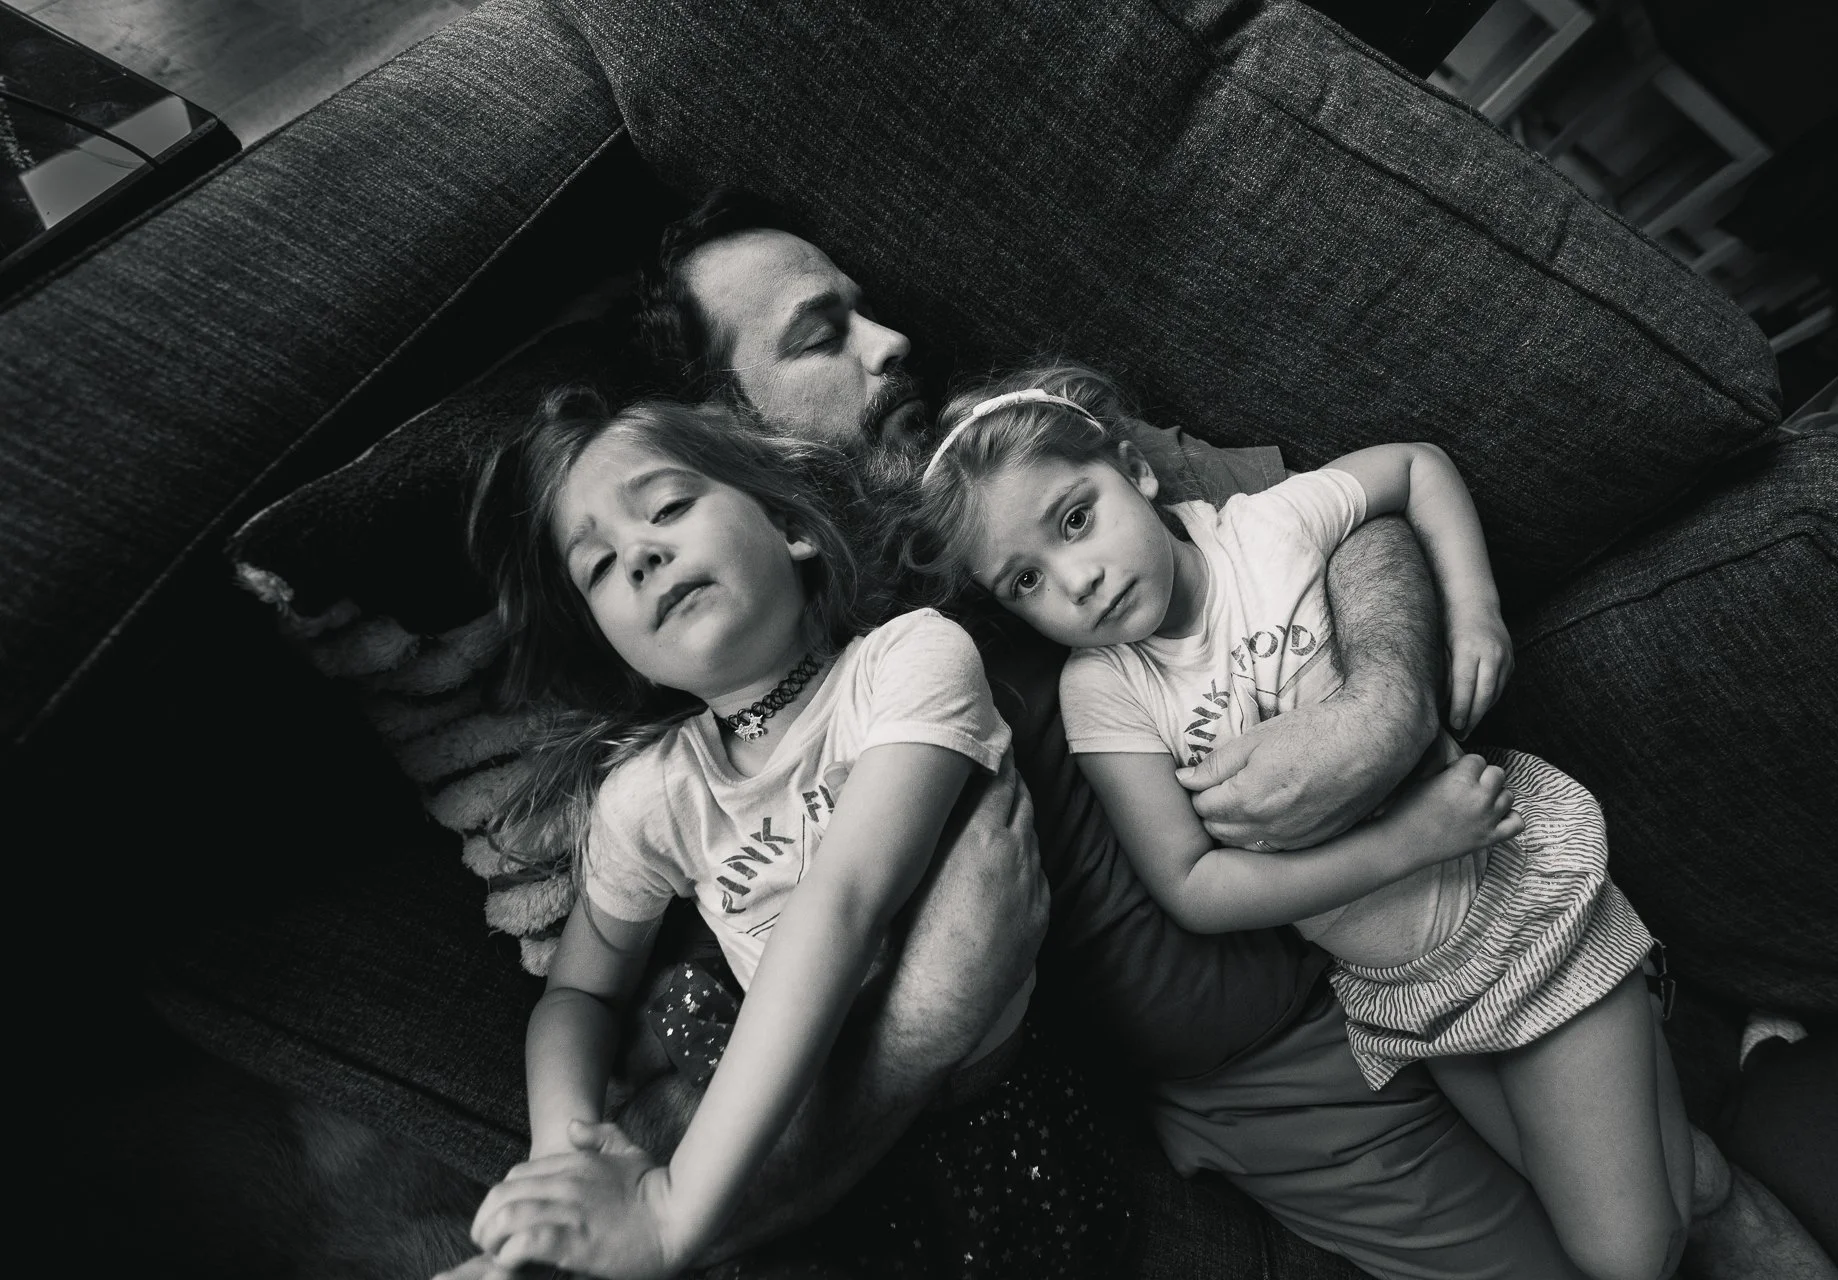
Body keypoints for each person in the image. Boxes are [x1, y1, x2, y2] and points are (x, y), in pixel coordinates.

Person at [605, 190, 1620, 1279]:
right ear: (730, 432)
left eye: (866, 308)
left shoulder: (1024, 452)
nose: (891, 342)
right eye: (823, 335)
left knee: (1663, 1191)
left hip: (1414, 922)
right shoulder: (779, 691)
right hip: (1267, 1063)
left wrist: (1379, 703)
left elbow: (1334, 514)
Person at [906, 364, 1710, 1280]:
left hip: (1506, 908)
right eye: (1025, 580)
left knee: (1626, 1256)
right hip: (1402, 992)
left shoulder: (1269, 529)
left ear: (1135, 468)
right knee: (1639, 1200)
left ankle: (1641, 1018)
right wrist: (1409, 841)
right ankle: (1692, 1089)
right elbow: (1193, 888)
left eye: (1076, 519)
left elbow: (1415, 467)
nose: (1076, 582)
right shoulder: (1107, 691)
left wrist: (1476, 612)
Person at [445, 391, 1125, 1279]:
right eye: (601, 567)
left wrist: (674, 1212)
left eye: (668, 508)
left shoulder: (908, 662)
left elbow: (842, 904)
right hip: (775, 1123)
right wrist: (567, 1151)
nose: (643, 554)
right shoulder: (652, 795)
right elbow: (579, 998)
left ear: (790, 525)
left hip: (980, 1132)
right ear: (615, 645)